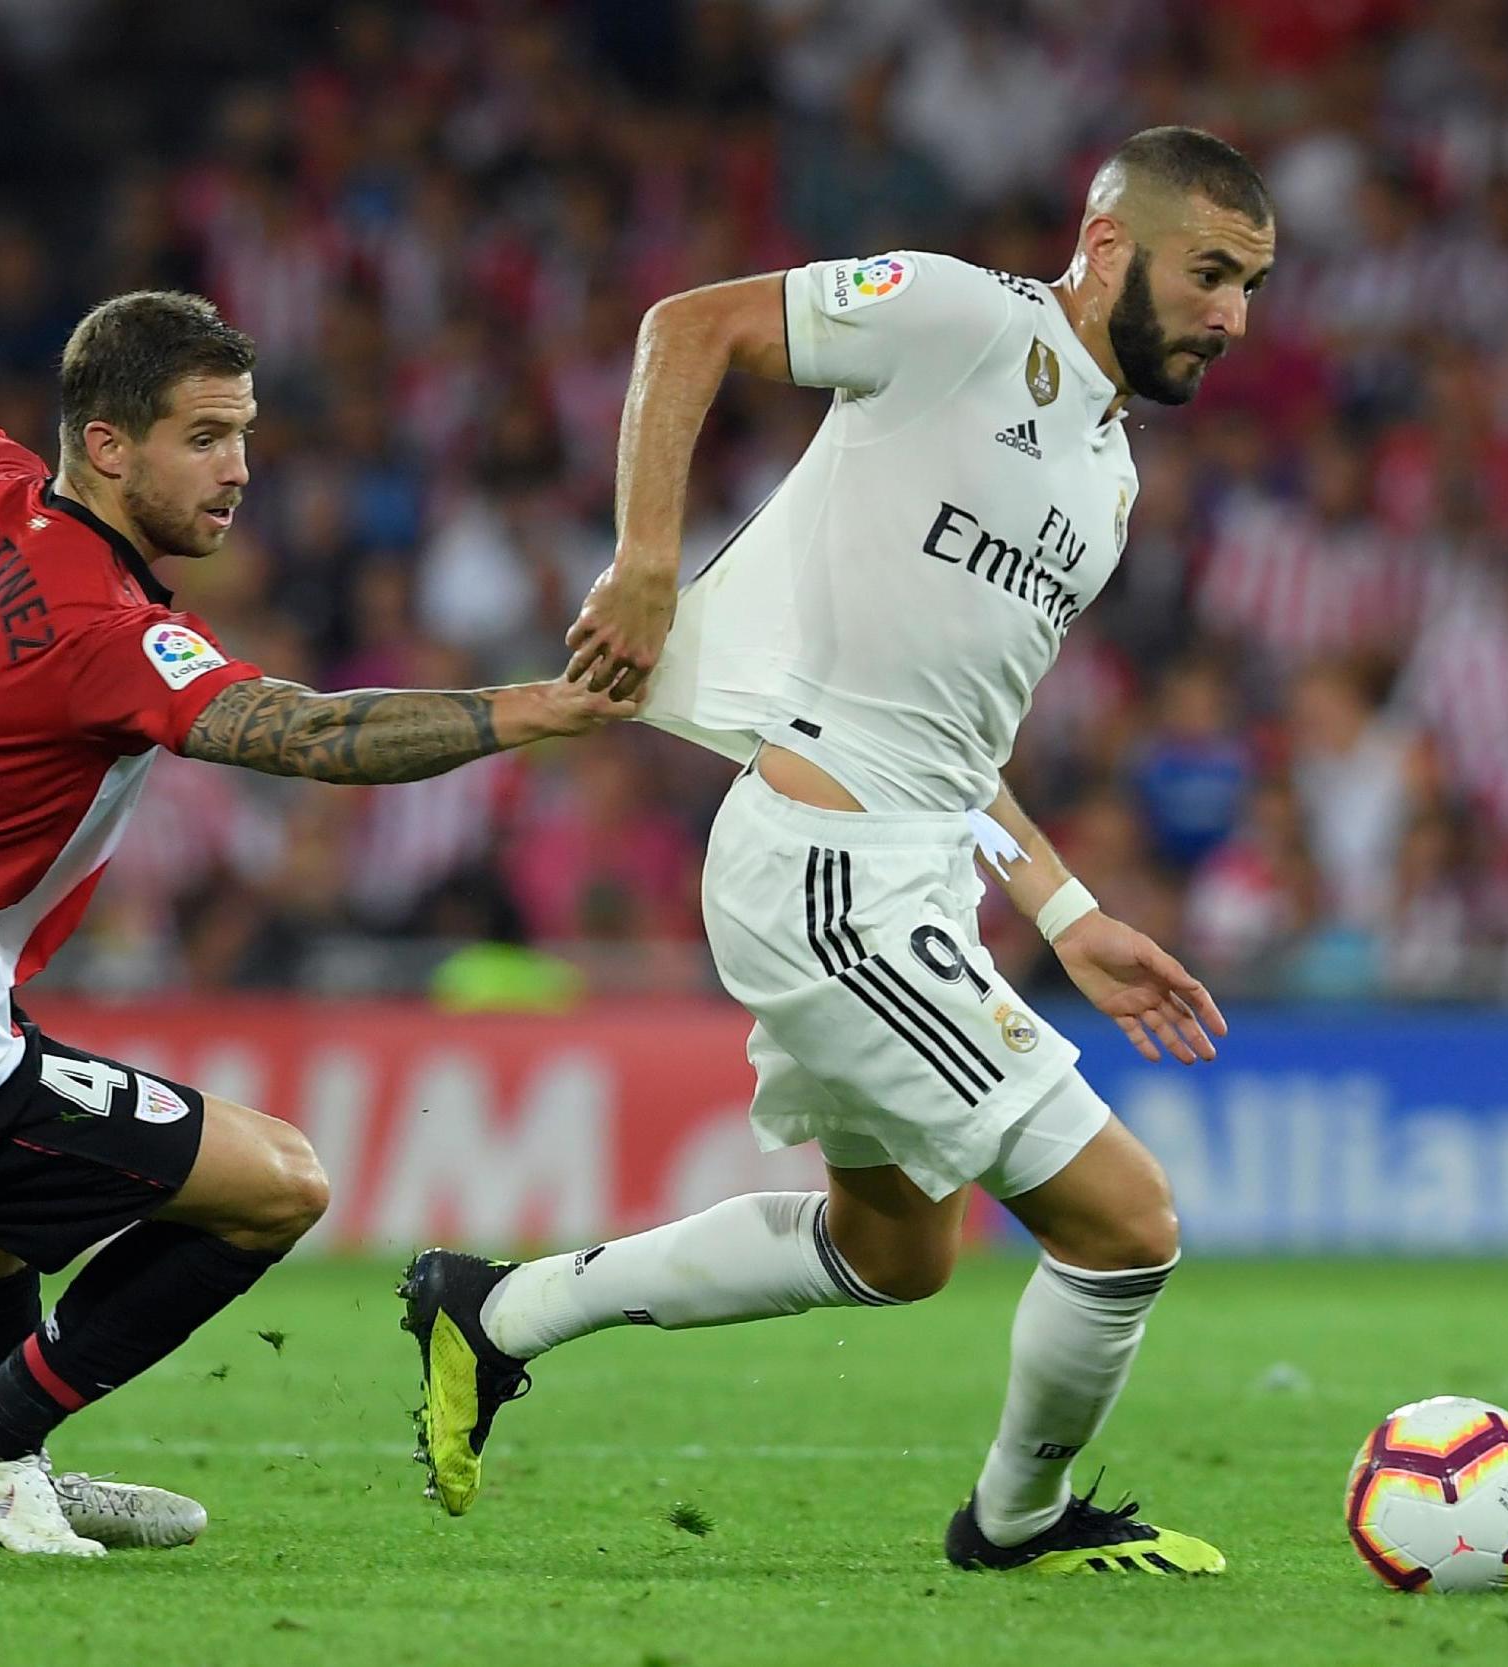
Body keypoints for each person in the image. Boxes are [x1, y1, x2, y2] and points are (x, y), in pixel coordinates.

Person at [402, 128, 1275, 1578]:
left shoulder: (1106, 481)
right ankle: (1018, 1525)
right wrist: (641, 561)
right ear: (1109, 242)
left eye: (1251, 285)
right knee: (1123, 1223)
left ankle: (491, 1317)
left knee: (894, 1253)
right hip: (827, 875)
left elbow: (952, 735)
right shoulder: (960, 321)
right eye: (1211, 273)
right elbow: (688, 326)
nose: (1233, 316)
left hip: (910, 864)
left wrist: (1063, 908)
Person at [0, 197, 637, 1557]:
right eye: (205, 438)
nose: (238, 471)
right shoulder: (103, 627)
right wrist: (537, 710)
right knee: (278, 1184)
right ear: (105, 446)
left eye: (245, 438)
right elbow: (310, 735)